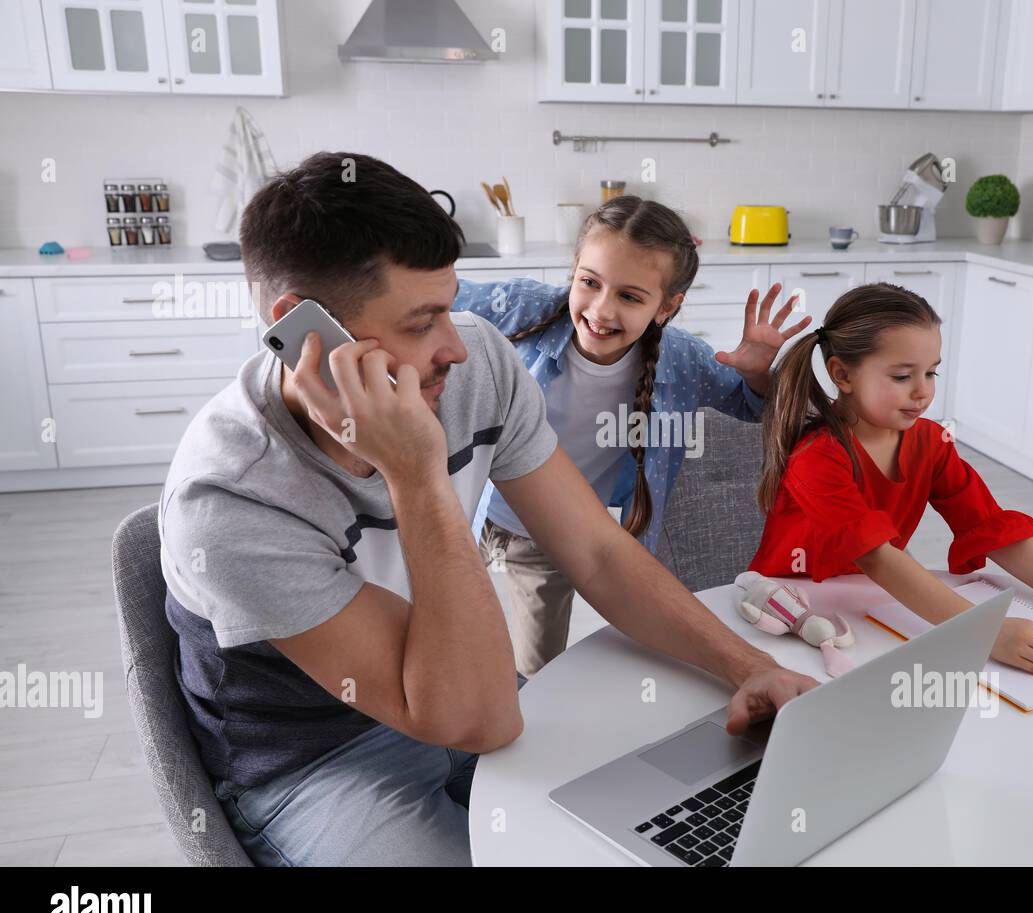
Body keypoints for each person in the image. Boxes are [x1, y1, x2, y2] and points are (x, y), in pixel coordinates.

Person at [158, 152, 817, 866]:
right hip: (316, 764)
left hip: (454, 690)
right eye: (422, 322)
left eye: (450, 303)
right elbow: (480, 719)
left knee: (672, 805)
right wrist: (415, 472)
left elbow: (596, 552)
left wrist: (747, 666)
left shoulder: (476, 360)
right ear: (304, 331)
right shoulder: (230, 502)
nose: (457, 346)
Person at [748, 282, 1033, 678]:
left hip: (872, 607)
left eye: (931, 372)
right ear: (842, 375)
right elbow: (877, 558)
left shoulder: (931, 442)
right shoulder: (817, 458)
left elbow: (992, 530)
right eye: (902, 376)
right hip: (790, 612)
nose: (923, 391)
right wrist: (986, 632)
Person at [454, 196, 807, 675]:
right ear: (574, 270)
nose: (601, 309)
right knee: (451, 639)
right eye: (590, 283)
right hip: (469, 504)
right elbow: (433, 299)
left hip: (553, 535)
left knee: (539, 672)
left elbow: (753, 408)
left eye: (629, 296)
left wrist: (759, 375)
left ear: (667, 307)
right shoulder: (523, 308)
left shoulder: (683, 360)